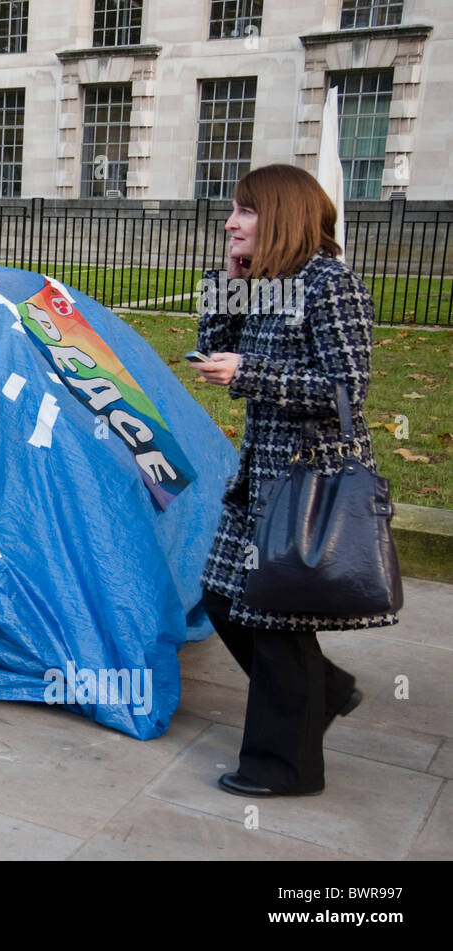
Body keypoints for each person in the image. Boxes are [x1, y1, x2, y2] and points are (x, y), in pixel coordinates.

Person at [193, 163, 396, 797]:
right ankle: (325, 692)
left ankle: (284, 768)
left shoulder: (329, 284)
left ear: (281, 214)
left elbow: (347, 390)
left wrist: (249, 372)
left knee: (275, 624)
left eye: (247, 211)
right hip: (259, 478)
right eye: (233, 210)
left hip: (307, 480)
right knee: (224, 600)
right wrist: (226, 288)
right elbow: (210, 351)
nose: (231, 221)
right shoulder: (266, 281)